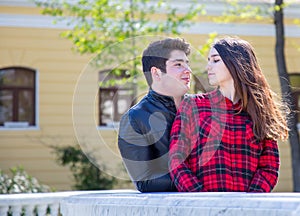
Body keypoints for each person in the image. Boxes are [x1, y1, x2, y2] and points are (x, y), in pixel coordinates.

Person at [169, 37, 289, 192]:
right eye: (208, 60)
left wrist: (249, 201)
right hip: (202, 207)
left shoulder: (259, 112)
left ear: (236, 63)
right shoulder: (193, 105)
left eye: (215, 60)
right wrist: (200, 198)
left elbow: (269, 167)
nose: (208, 67)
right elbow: (176, 159)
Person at [118, 38, 192, 192]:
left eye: (187, 63)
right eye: (178, 64)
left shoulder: (203, 109)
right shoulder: (135, 118)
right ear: (156, 73)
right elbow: (145, 181)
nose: (188, 70)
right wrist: (201, 178)